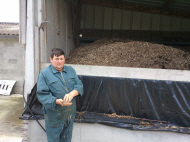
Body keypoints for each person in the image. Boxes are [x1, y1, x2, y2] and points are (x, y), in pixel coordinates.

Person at [37, 48, 83, 142]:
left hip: (69, 113)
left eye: (61, 59)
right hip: (54, 115)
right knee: (53, 139)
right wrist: (57, 101)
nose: (59, 61)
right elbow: (42, 94)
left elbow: (79, 85)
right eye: (56, 59)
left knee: (67, 139)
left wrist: (71, 94)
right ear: (51, 59)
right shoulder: (44, 74)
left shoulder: (70, 70)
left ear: (64, 59)